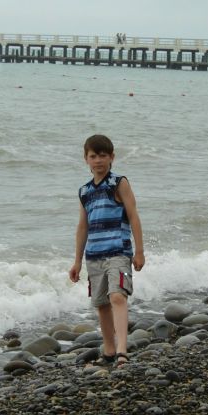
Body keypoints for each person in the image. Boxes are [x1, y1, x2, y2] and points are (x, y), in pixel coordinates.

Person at [69, 135, 145, 368]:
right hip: (94, 255)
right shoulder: (84, 191)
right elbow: (83, 226)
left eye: (103, 156)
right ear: (86, 159)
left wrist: (139, 251)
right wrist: (77, 261)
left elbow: (133, 215)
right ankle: (109, 351)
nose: (98, 160)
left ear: (112, 157)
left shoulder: (118, 183)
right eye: (93, 156)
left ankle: (122, 350)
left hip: (118, 251)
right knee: (101, 303)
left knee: (117, 296)